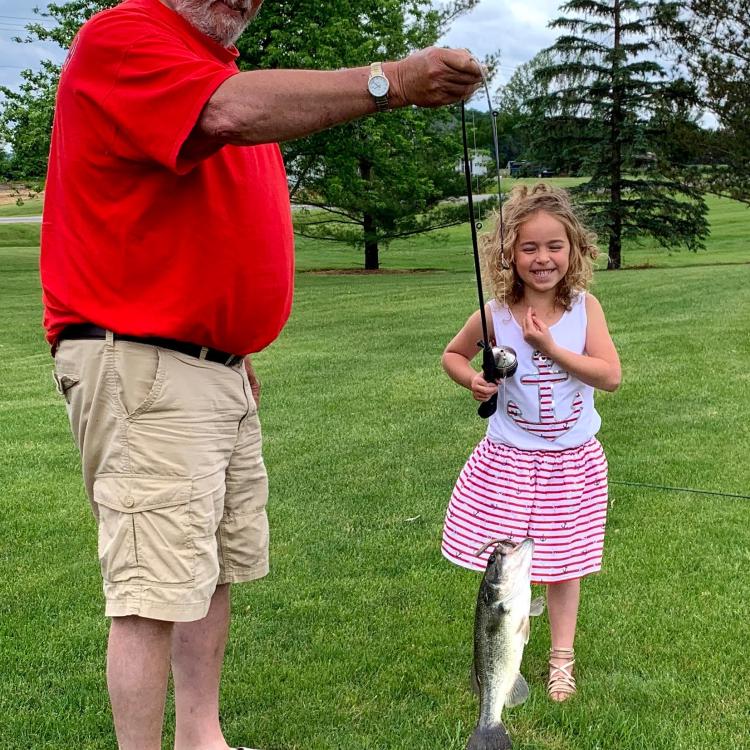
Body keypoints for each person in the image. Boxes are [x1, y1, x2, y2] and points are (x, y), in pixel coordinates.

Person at [41, 0, 483, 747]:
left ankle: (202, 739)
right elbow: (222, 115)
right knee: (152, 590)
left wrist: (230, 351)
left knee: (207, 570)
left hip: (209, 366)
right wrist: (392, 82)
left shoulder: (221, 70)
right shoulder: (126, 36)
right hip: (143, 358)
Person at [440, 183, 621, 702]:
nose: (542, 259)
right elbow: (452, 355)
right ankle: (497, 656)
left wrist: (549, 347)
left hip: (572, 463)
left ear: (575, 249)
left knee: (566, 565)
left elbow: (609, 376)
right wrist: (471, 380)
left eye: (554, 246)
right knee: (503, 569)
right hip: (509, 460)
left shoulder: (586, 308)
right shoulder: (494, 314)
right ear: (508, 255)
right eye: (528, 248)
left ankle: (561, 657)